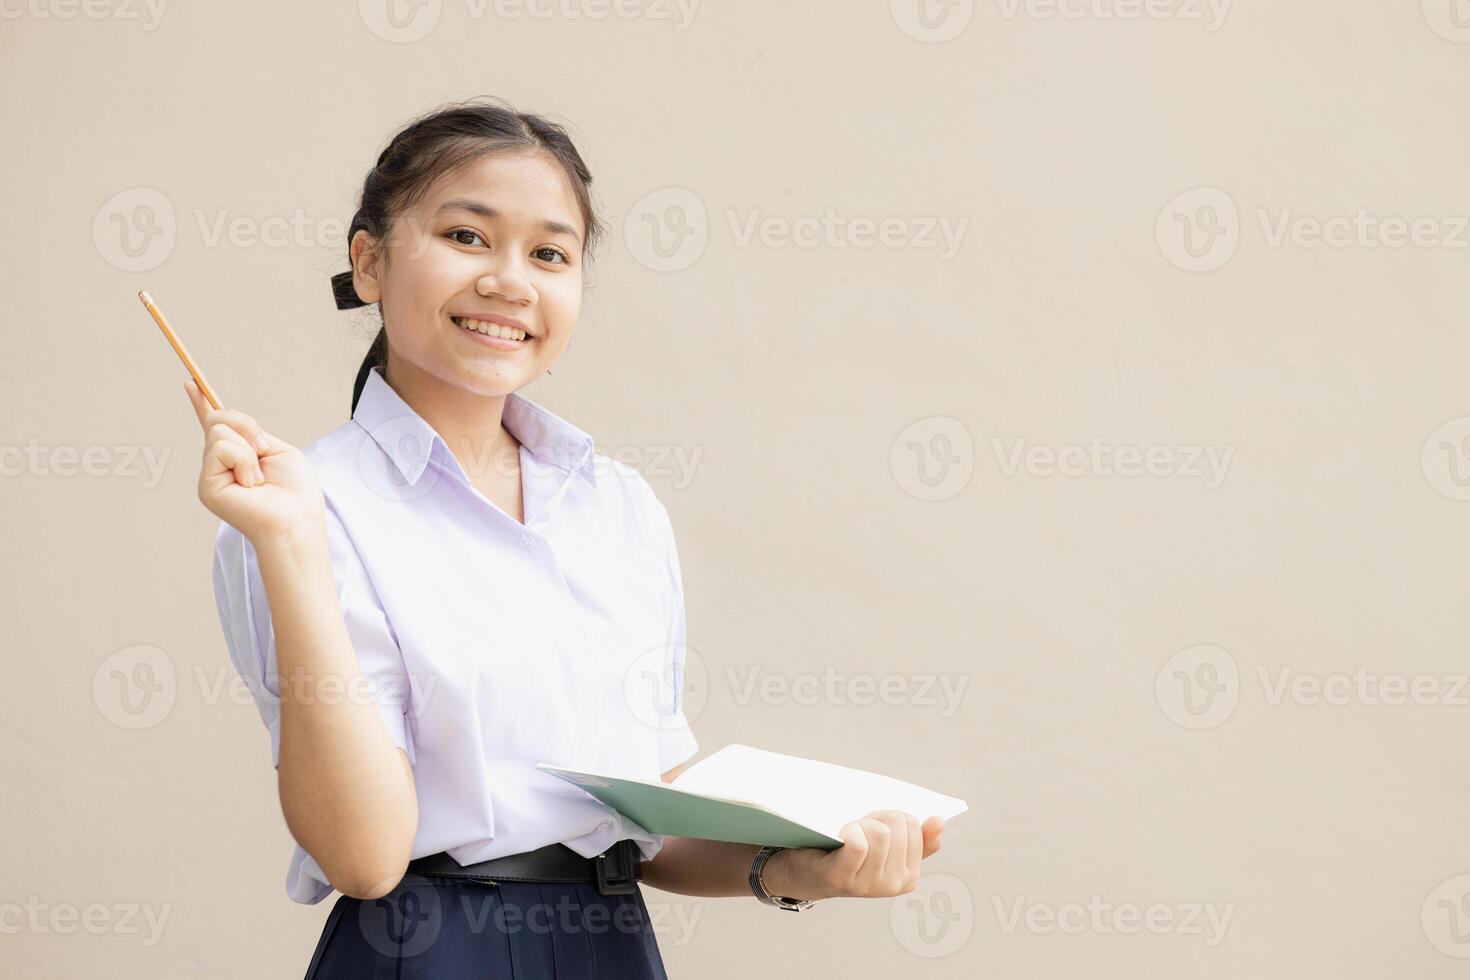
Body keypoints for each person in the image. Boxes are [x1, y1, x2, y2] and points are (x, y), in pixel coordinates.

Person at [188, 97, 946, 977]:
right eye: (467, 237)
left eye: (550, 253)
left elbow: (649, 830)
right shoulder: (301, 508)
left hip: (614, 946)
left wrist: (795, 870)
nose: (511, 281)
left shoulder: (617, 507)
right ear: (368, 262)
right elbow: (364, 856)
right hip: (429, 951)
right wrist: (291, 547)